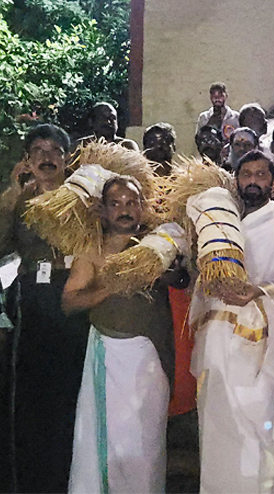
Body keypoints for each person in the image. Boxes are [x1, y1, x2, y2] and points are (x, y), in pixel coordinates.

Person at [191, 151, 274, 493]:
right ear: (236, 180)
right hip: (218, 333)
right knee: (217, 420)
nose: (252, 180)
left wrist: (257, 290)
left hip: (265, 338)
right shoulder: (221, 220)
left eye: (261, 174)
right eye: (246, 174)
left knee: (261, 420)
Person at [63, 176, 182, 493]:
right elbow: (69, 301)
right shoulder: (92, 252)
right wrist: (110, 286)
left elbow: (181, 278)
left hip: (151, 359)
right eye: (116, 204)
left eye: (131, 203)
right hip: (107, 359)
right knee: (106, 443)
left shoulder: (157, 247)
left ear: (142, 207)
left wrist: (165, 268)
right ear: (103, 211)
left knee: (147, 441)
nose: (124, 210)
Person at [0, 124, 90, 493]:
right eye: (38, 150)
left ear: (67, 159)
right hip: (32, 304)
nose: (46, 156)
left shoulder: (84, 200)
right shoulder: (18, 200)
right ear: (27, 160)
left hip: (73, 301)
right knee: (30, 399)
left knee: (71, 394)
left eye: (55, 150)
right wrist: (10, 195)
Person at [75, 102, 139, 151]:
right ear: (91, 122)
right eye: (103, 118)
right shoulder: (81, 146)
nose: (108, 122)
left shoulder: (127, 146)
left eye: (112, 118)